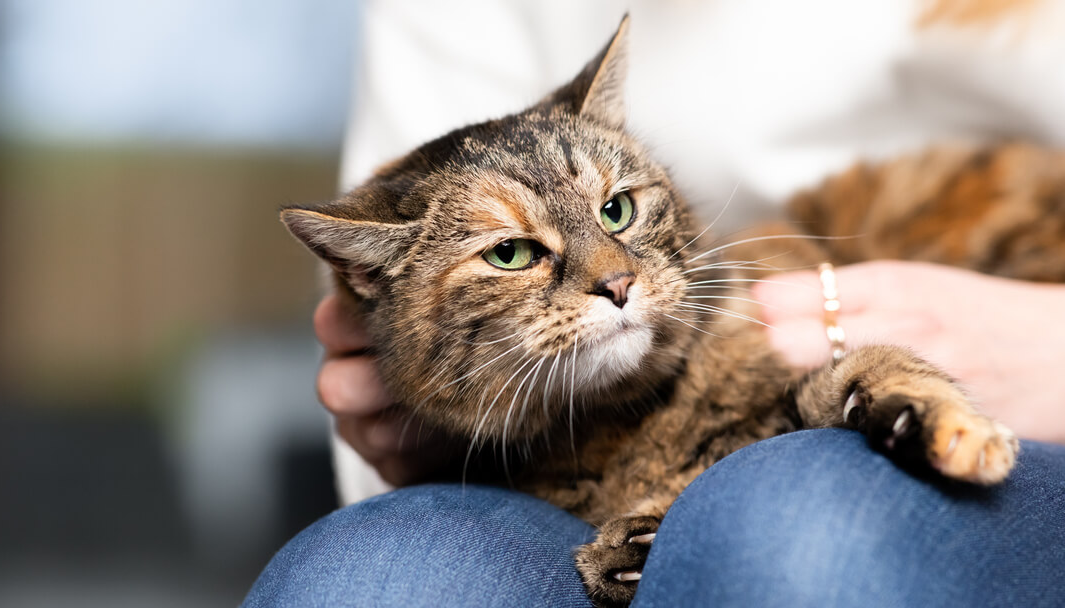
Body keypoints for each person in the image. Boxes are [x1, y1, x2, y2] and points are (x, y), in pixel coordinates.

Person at [245, 1, 1065, 605]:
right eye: (511, 251)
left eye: (615, 211)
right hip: (532, 455)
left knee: (792, 526)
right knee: (375, 583)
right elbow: (401, 226)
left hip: (1020, 336)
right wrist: (402, 411)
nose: (612, 275)